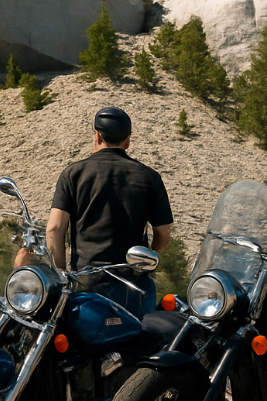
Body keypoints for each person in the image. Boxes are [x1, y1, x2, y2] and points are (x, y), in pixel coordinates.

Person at [45, 107, 173, 316]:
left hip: (86, 282)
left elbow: (54, 229)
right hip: (134, 284)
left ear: (97, 135)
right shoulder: (149, 177)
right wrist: (147, 261)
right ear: (128, 140)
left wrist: (60, 275)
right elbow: (163, 234)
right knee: (139, 344)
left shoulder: (72, 174)